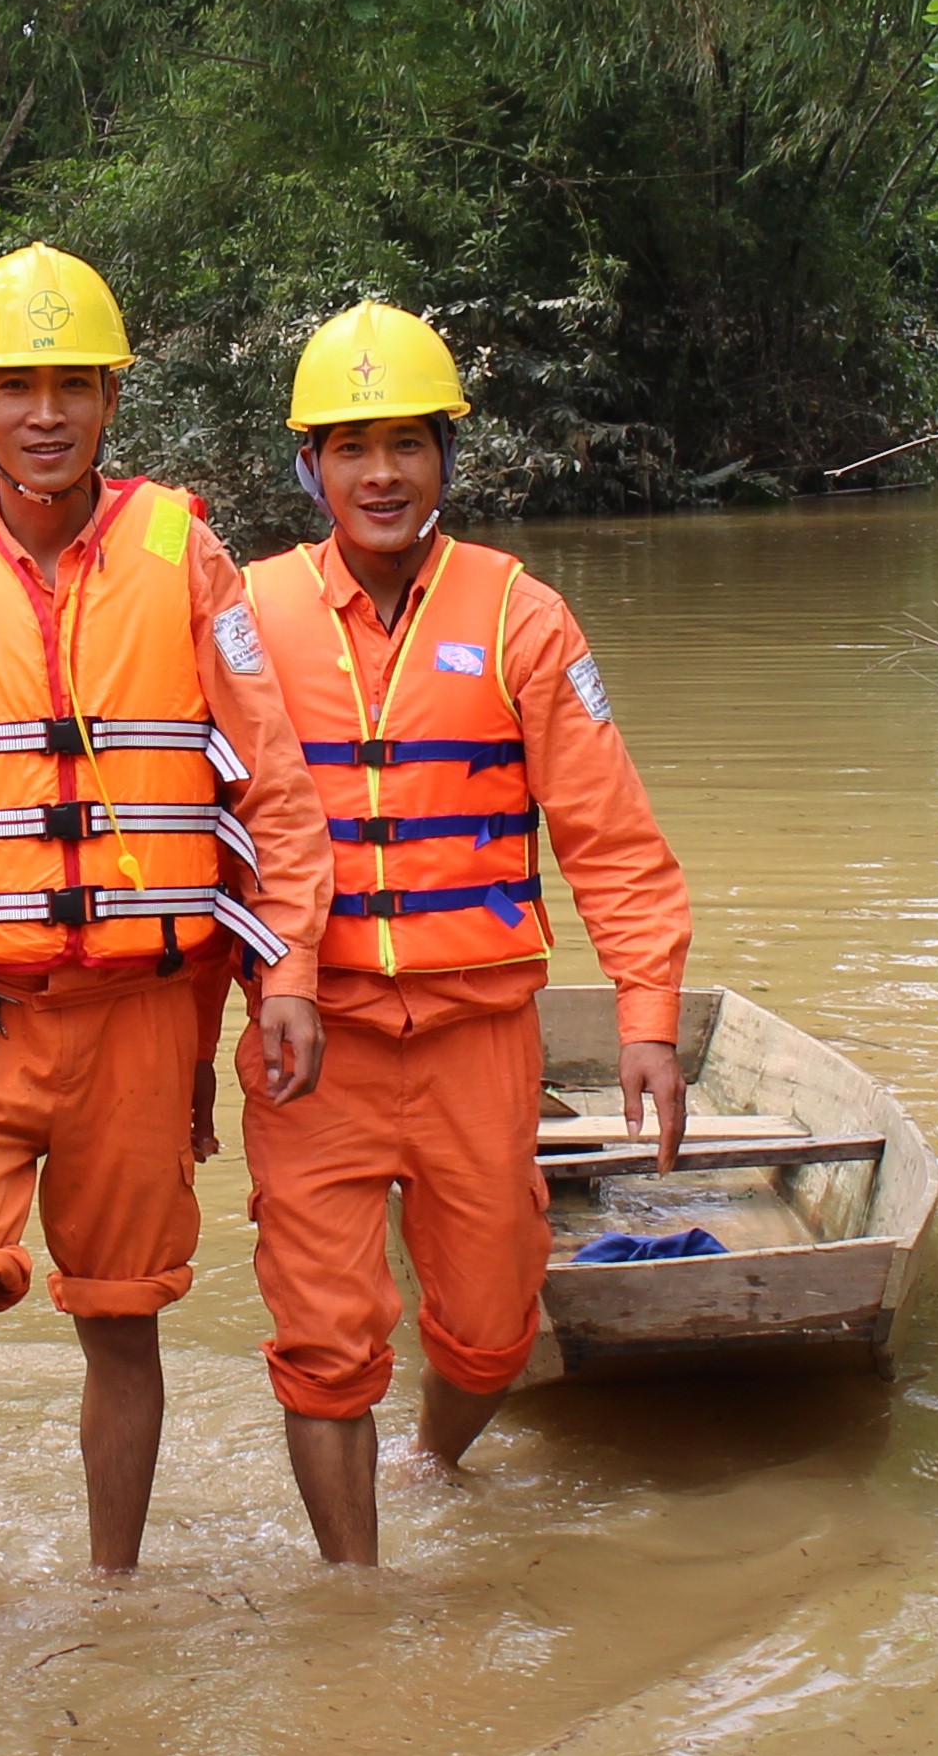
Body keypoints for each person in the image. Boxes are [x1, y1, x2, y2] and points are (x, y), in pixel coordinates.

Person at [0, 245, 331, 1577]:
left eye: (73, 384)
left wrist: (284, 972)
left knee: (123, 1317)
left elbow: (274, 784)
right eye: (18, 386)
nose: (45, 412)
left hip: (137, 1011)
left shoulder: (184, 551)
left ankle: (112, 1586)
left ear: (114, 396)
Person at [239, 301, 697, 1567]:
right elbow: (198, 829)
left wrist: (648, 1021)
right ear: (309, 465)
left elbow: (611, 836)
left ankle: (435, 1453)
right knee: (327, 1343)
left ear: (446, 455)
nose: (379, 472)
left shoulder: (520, 615)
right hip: (310, 1045)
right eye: (348, 446)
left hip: (478, 1038)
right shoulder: (250, 613)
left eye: (406, 443)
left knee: (493, 1325)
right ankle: (356, 1594)